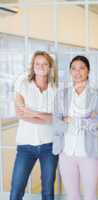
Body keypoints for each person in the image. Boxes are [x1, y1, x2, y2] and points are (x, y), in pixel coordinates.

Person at [52, 55, 98, 200]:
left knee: (90, 196)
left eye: (82, 68)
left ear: (88, 71)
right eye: (74, 68)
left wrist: (70, 120)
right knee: (73, 196)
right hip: (66, 152)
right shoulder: (61, 95)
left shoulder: (97, 95)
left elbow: (94, 124)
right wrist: (84, 118)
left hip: (89, 153)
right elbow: (56, 124)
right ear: (70, 71)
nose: (77, 72)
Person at [10, 51, 58, 200]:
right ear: (33, 66)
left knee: (48, 191)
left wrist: (29, 112)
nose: (40, 67)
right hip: (25, 147)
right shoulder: (23, 84)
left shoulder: (55, 90)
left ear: (50, 67)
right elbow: (20, 113)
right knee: (16, 190)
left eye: (44, 64)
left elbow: (56, 119)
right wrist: (44, 116)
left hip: (49, 147)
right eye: (37, 63)